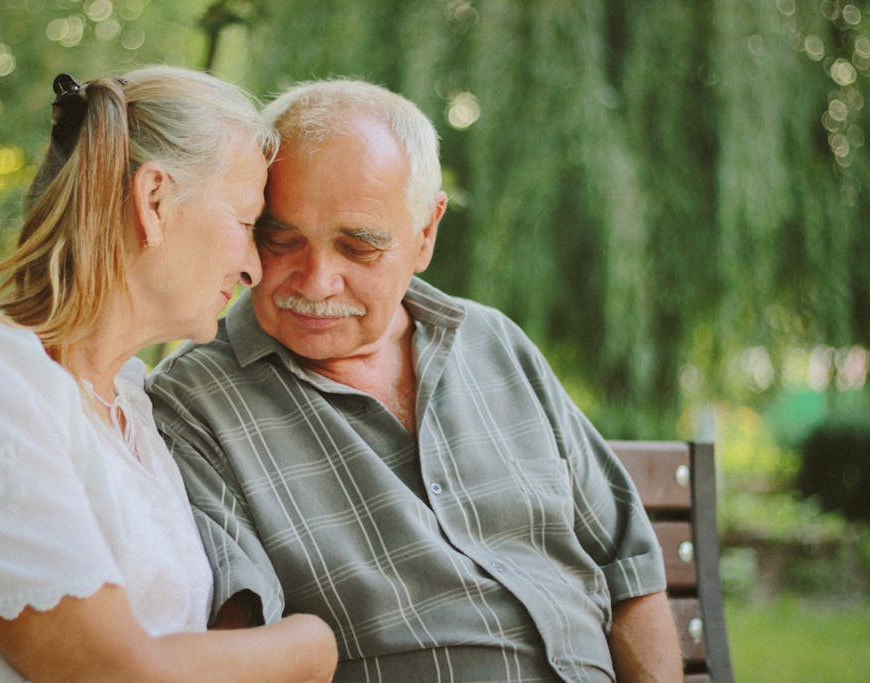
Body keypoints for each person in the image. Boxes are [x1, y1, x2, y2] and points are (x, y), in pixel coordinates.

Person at [147, 78, 682, 682]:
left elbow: (628, 570)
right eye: (281, 240)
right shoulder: (193, 402)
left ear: (426, 232)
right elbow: (238, 643)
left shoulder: (493, 343)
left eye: (358, 248)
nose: (317, 281)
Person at [0, 66, 337, 682]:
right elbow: (113, 673)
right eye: (244, 224)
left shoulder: (130, 409)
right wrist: (314, 645)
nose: (253, 269)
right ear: (154, 200)